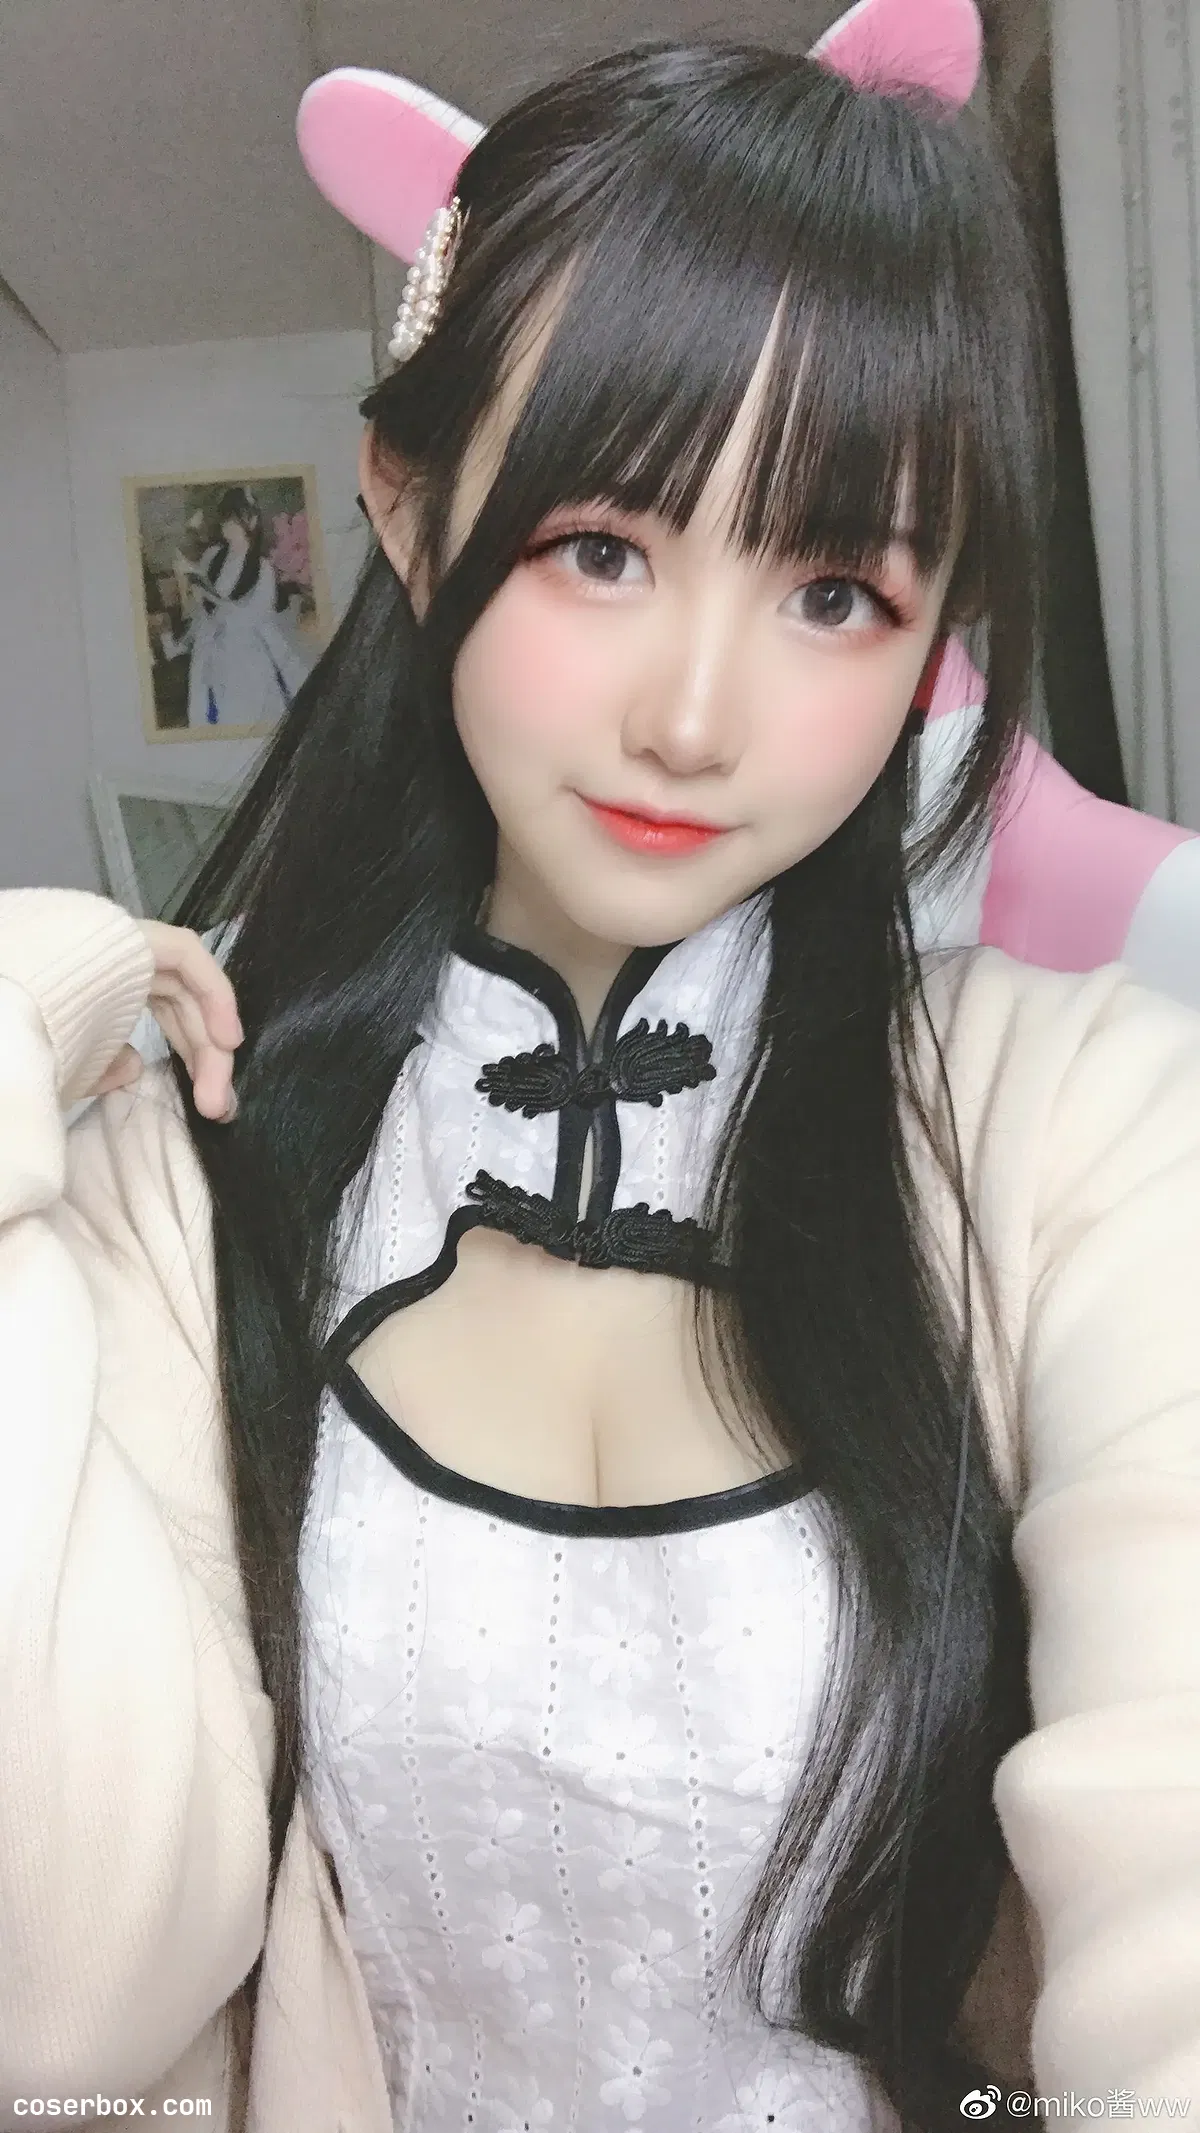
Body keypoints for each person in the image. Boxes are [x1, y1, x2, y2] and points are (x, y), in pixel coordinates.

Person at [2, 2, 1199, 2127]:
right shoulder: (203, 1164)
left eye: (836, 589)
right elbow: (60, 2001)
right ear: (410, 514)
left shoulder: (1089, 1126)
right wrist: (29, 1030)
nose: (696, 716)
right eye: (604, 549)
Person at [178, 486, 309, 729]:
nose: (228, 526)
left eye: (234, 520)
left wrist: (212, 599)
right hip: (214, 648)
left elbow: (255, 617)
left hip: (248, 652)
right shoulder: (213, 557)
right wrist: (196, 593)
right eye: (225, 519)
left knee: (252, 713)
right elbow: (200, 611)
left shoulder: (263, 569)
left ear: (252, 521)